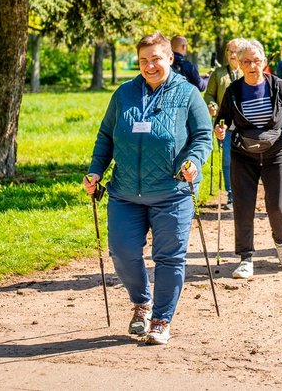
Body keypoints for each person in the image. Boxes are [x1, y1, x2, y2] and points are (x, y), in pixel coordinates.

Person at [83, 32, 212, 346]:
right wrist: (96, 170)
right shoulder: (124, 93)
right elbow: (106, 136)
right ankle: (142, 303)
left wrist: (194, 161)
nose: (150, 65)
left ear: (170, 58)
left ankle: (161, 319)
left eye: (156, 58)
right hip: (125, 192)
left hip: (172, 191)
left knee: (168, 257)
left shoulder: (188, 93)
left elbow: (203, 136)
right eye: (143, 60)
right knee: (122, 252)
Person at [214, 39, 282, 280]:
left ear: (264, 62)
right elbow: (223, 118)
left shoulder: (276, 86)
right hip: (243, 153)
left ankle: (280, 242)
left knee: (277, 205)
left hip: (277, 151)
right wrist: (220, 128)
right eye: (246, 61)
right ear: (239, 64)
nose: (252, 65)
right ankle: (245, 258)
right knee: (243, 206)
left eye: (256, 61)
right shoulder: (234, 90)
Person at [204, 38, 243, 210]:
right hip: (224, 125)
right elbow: (209, 94)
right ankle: (232, 196)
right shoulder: (218, 74)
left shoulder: (248, 71)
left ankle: (246, 193)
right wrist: (212, 105)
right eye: (230, 51)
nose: (233, 55)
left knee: (246, 161)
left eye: (236, 51)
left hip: (245, 126)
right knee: (228, 160)